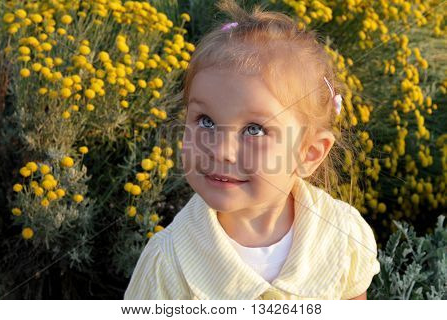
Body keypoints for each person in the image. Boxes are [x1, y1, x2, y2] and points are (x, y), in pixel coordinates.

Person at [124, 0, 380, 300]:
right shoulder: (168, 263)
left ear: (309, 153)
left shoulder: (340, 234)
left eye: (254, 130)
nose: (221, 151)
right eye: (205, 122)